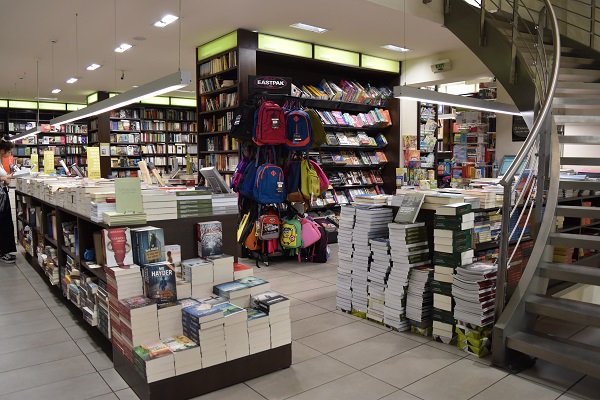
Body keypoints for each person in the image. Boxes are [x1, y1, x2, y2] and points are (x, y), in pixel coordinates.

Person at [0, 136, 16, 263]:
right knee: (3, 224)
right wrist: (4, 179)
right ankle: (3, 252)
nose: (10, 154)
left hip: (2, 194)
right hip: (0, 197)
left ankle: (4, 251)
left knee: (5, 223)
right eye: (9, 152)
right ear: (2, 151)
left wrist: (7, 177)